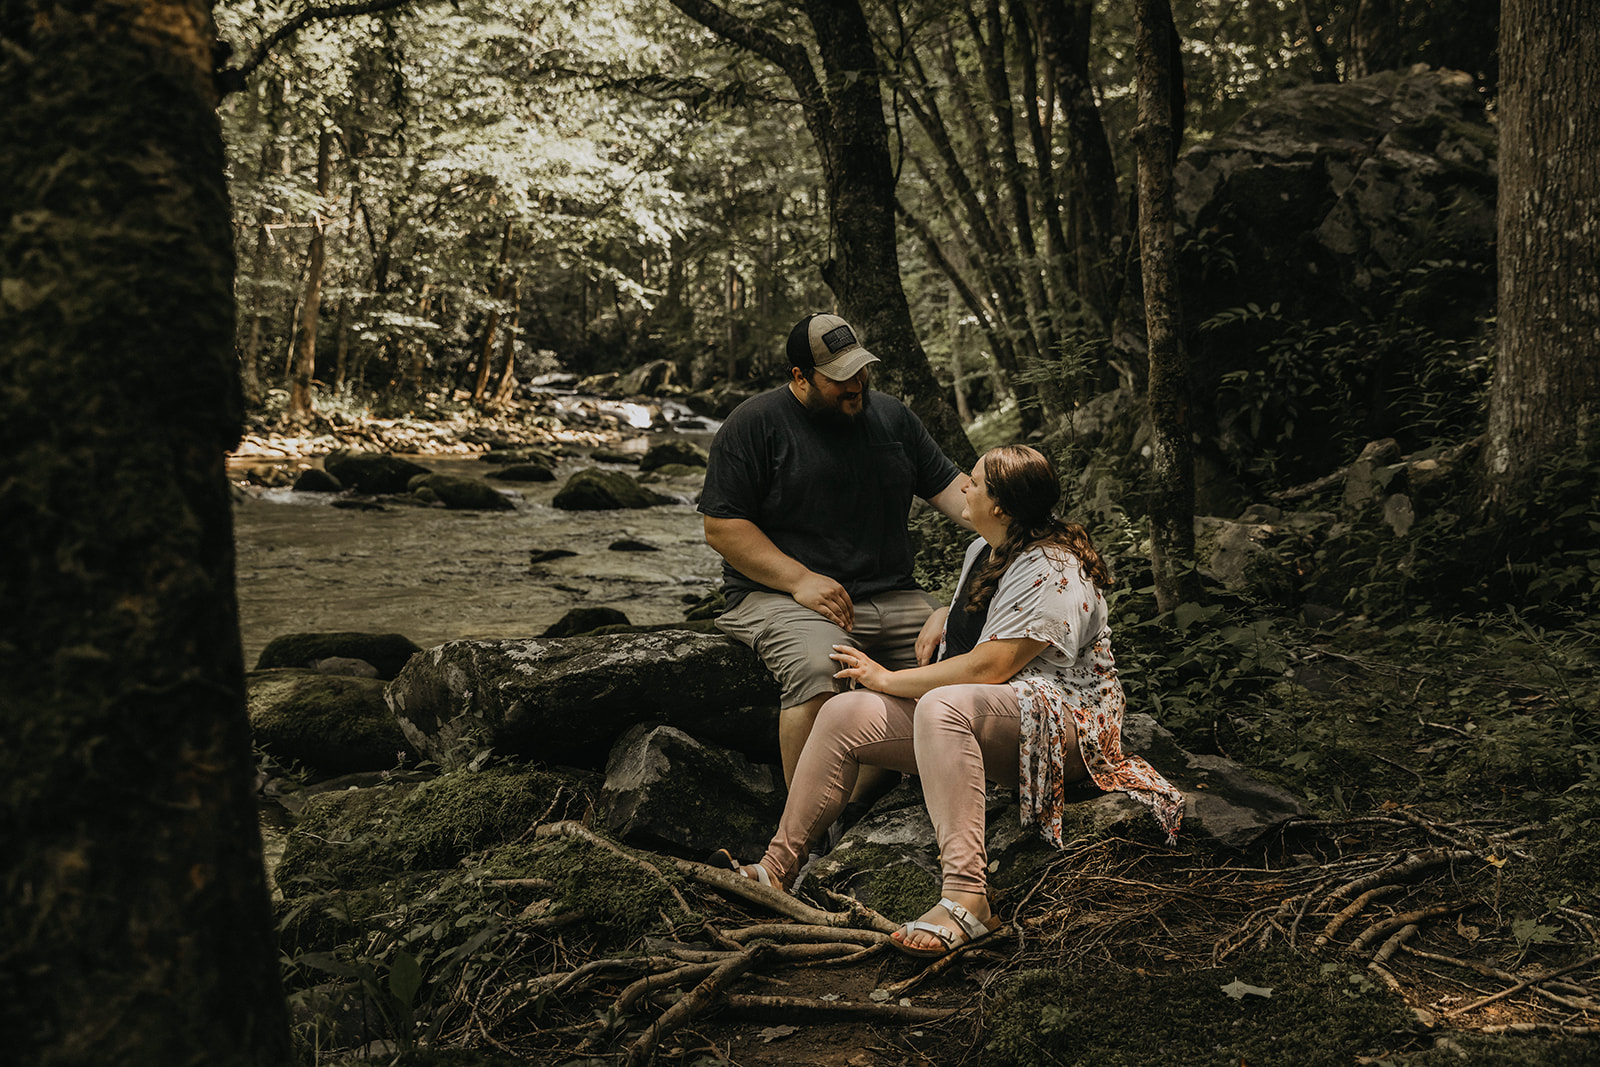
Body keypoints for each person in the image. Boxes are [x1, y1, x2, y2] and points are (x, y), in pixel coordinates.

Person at [715, 444, 1184, 959]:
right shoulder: (984, 549)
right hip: (995, 714)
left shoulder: (1054, 569)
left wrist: (886, 678)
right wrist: (944, 612)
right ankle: (777, 869)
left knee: (942, 705)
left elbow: (989, 668)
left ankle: (967, 898)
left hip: (1065, 726)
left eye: (975, 482)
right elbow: (981, 630)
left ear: (999, 505)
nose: (963, 485)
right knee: (842, 712)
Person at [698, 312, 971, 796]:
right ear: (800, 377)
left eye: (860, 369)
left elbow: (962, 495)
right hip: (780, 597)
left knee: (965, 654)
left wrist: (1027, 523)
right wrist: (799, 579)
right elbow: (722, 527)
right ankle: (805, 828)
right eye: (840, 376)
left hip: (894, 595)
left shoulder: (892, 418)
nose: (856, 384)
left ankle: (858, 802)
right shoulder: (754, 424)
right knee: (821, 669)